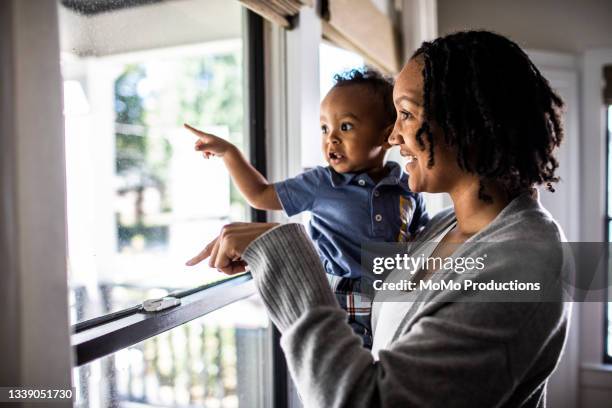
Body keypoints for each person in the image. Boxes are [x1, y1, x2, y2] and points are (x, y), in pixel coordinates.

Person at [187, 30, 571, 407]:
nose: (392, 138)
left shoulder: (524, 265)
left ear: (467, 122)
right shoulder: (443, 227)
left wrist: (286, 254)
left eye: (405, 114)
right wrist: (275, 258)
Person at [184, 68, 429, 349]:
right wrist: (230, 153)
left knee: (394, 360)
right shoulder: (321, 182)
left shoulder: (406, 185)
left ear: (386, 136)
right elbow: (260, 194)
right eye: (325, 128)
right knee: (349, 372)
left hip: (393, 297)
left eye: (346, 127)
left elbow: (423, 240)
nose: (331, 139)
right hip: (340, 297)